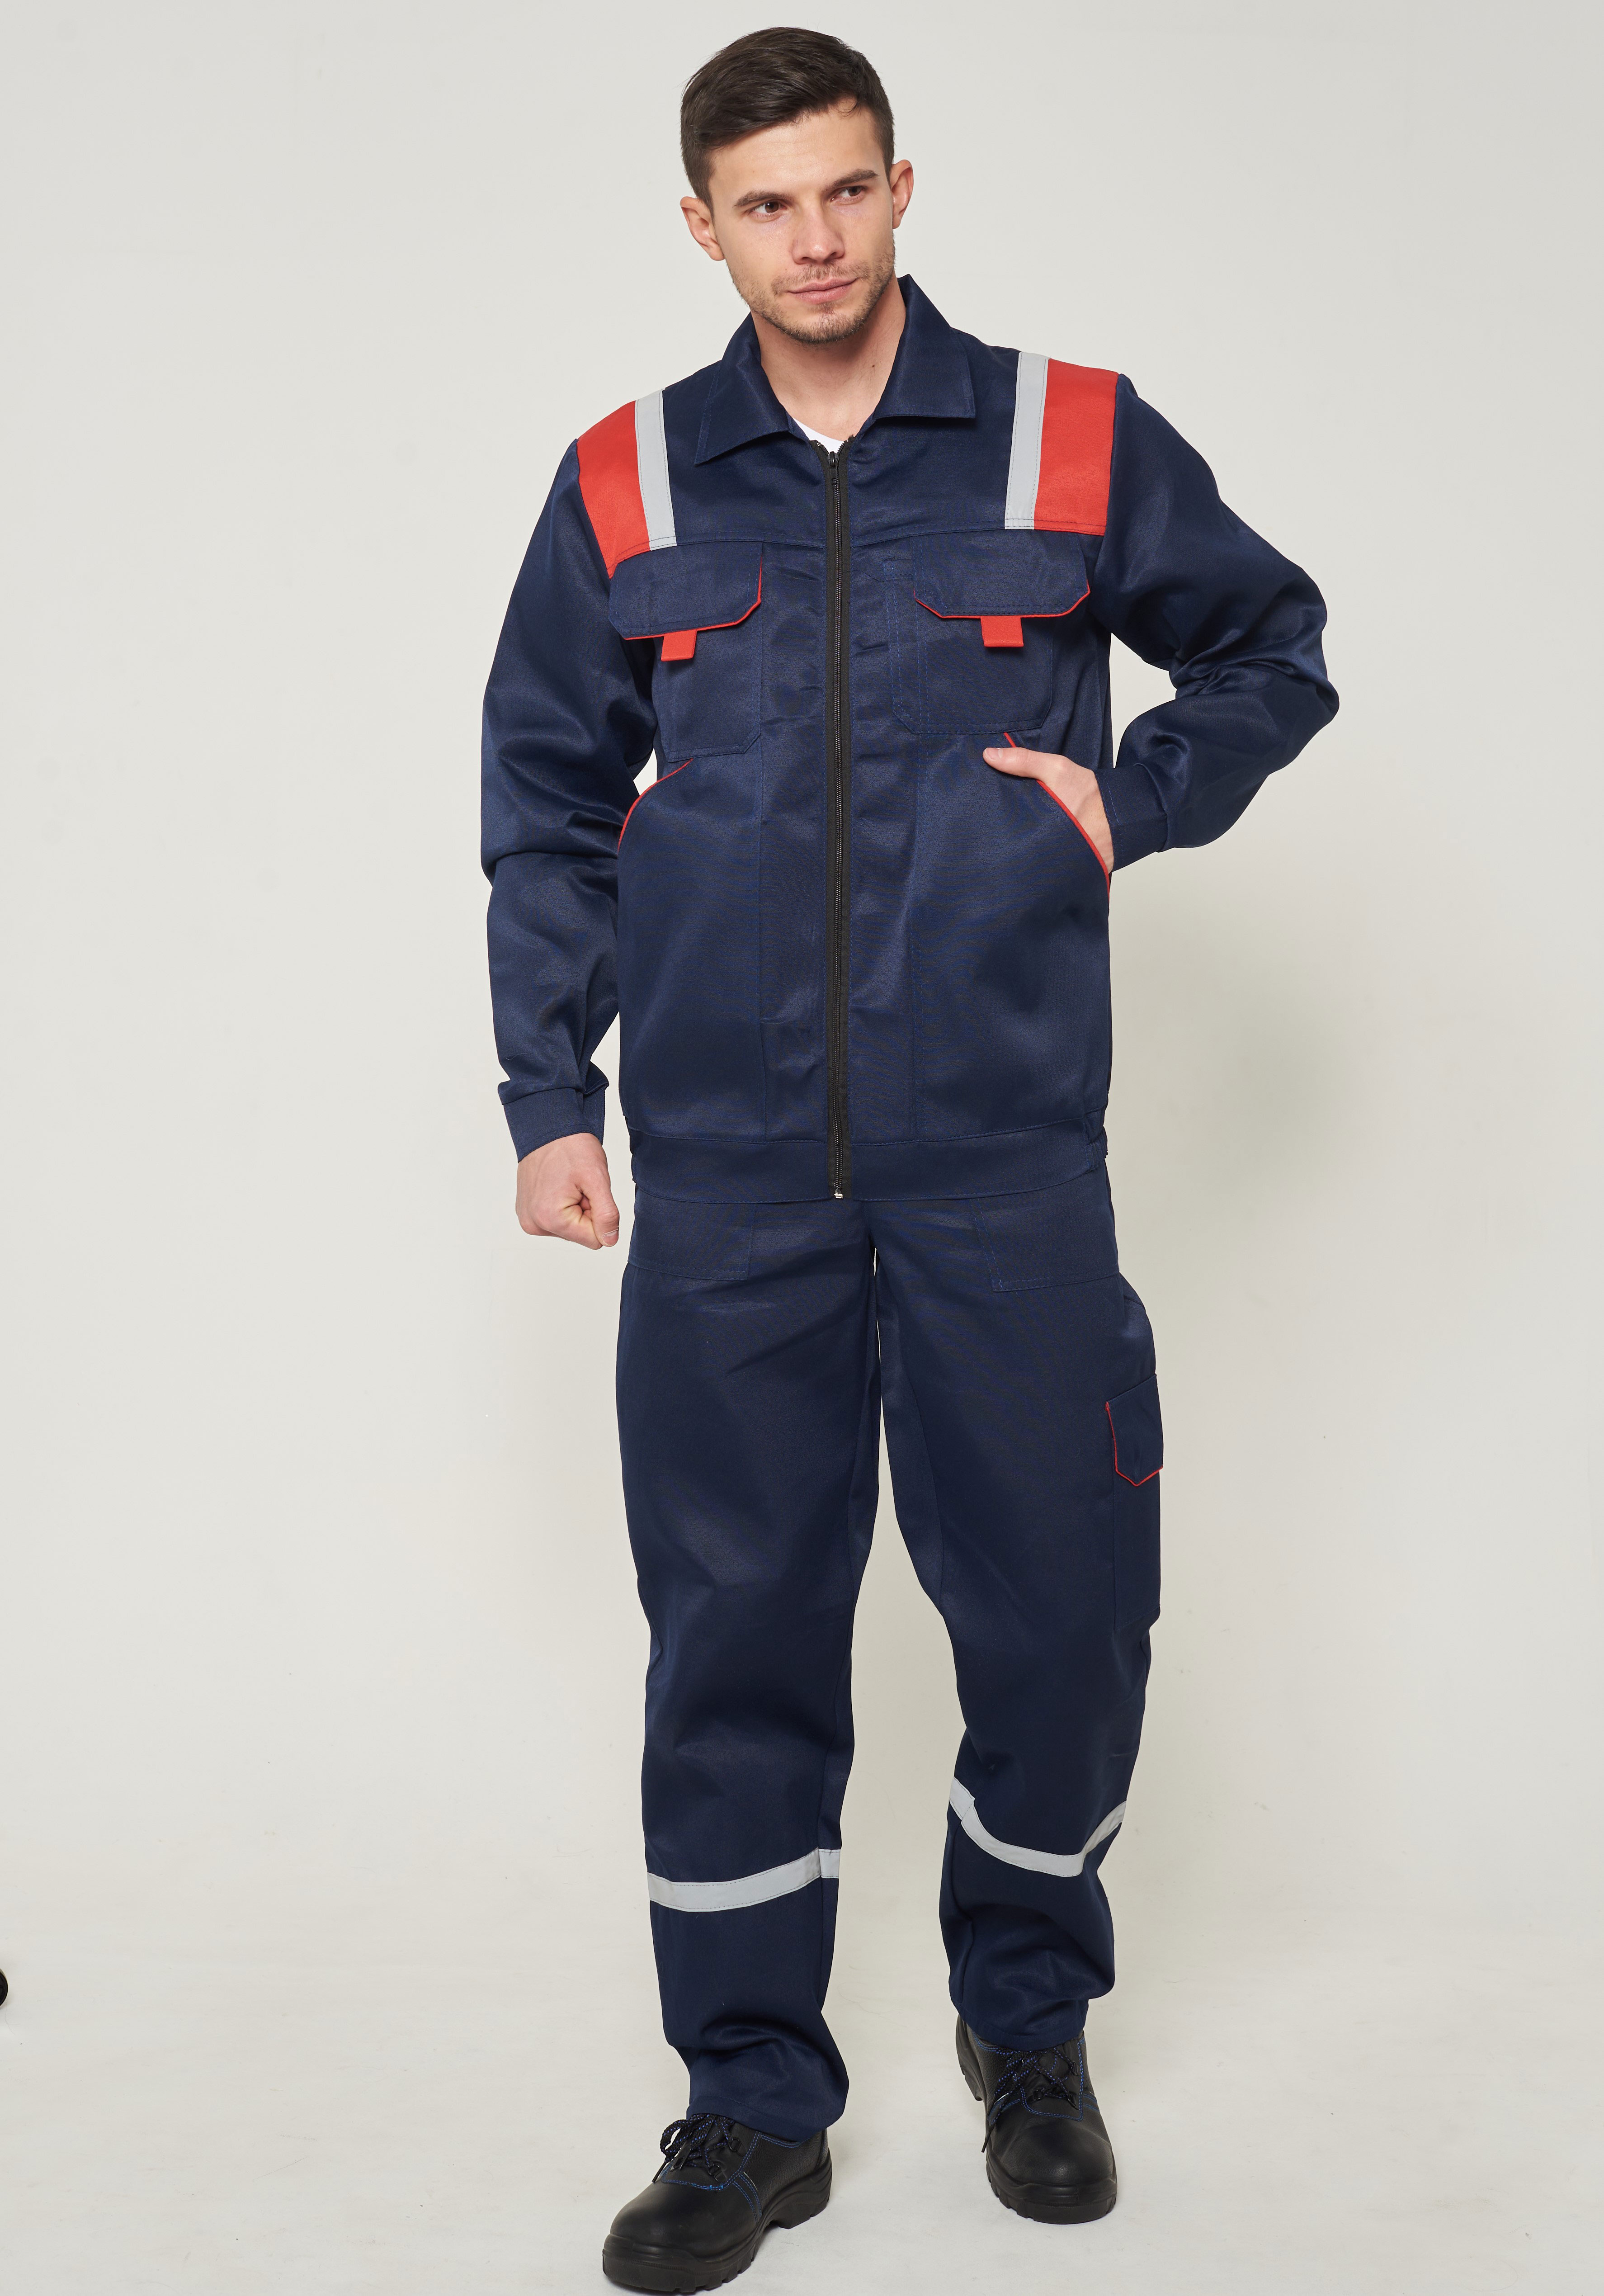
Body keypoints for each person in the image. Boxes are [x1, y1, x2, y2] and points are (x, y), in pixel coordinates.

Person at [482, 26, 1335, 2290]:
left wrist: (1131, 797)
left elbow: (1270, 649)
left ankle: (1024, 2023)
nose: (815, 238)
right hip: (730, 1177)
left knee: (1063, 1611)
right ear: (702, 226)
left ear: (900, 186)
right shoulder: (625, 480)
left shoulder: (1069, 434)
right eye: (766, 204)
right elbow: (545, 802)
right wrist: (550, 1097)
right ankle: (751, 2105)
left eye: (846, 188)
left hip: (1002, 1158)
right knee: (735, 1638)